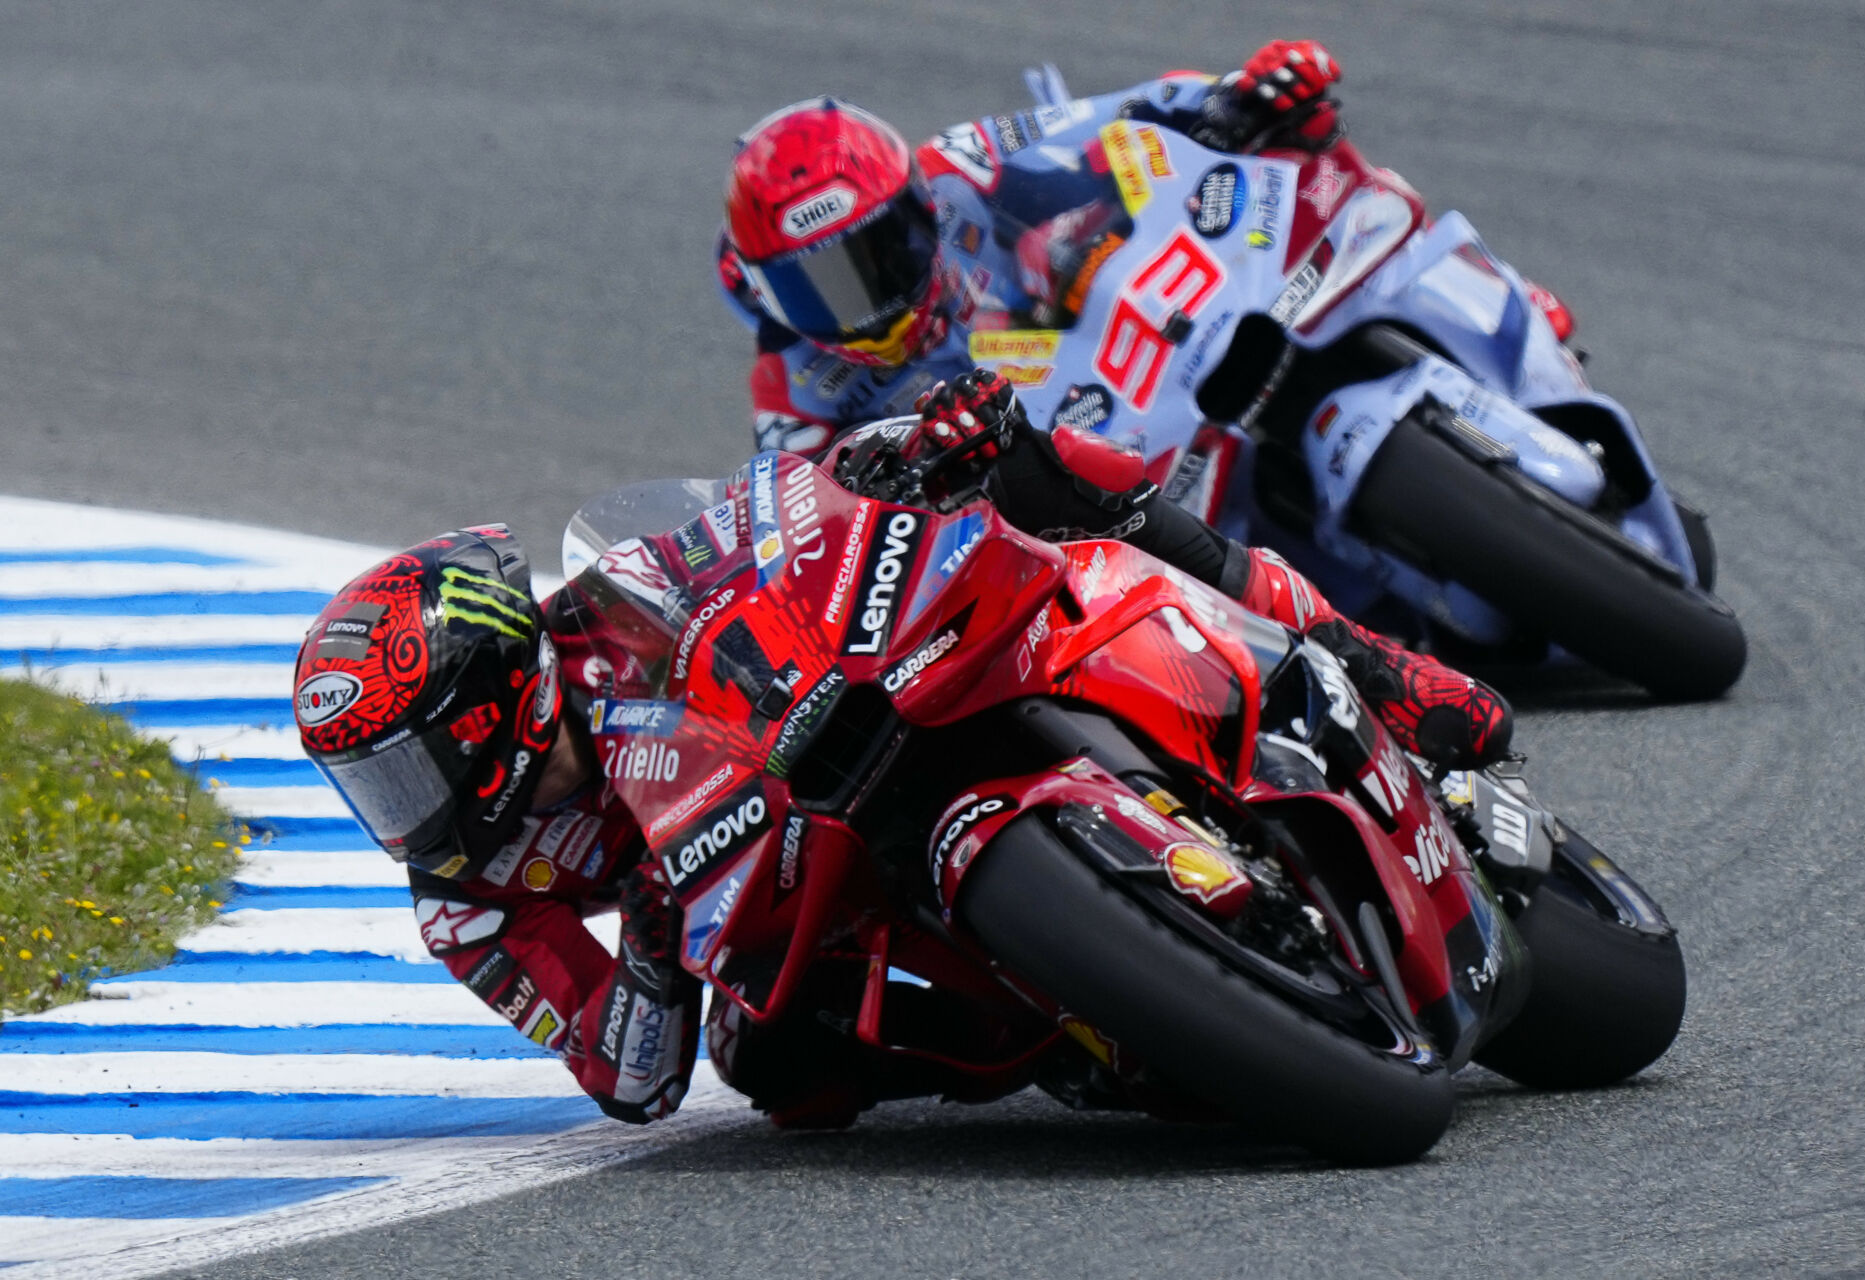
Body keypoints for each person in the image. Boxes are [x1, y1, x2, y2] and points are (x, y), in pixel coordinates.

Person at [292, 369, 1512, 1129]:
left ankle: (1366, 656)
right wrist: (661, 939)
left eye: (399, 765)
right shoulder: (468, 906)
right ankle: (1085, 1017)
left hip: (821, 728)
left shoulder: (605, 614)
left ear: (488, 700)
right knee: (782, 1069)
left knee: (1036, 467)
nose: (395, 808)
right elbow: (632, 1079)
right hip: (760, 893)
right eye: (365, 782)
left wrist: (897, 459)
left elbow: (757, 521)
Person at [717, 39, 1357, 456]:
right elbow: (808, 534)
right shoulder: (794, 392)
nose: (869, 302)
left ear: (915, 203)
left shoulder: (960, 166)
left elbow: (1118, 113)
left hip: (1125, 354)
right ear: (765, 294)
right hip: (1059, 502)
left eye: (879, 252)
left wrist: (1237, 97)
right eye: (817, 284)